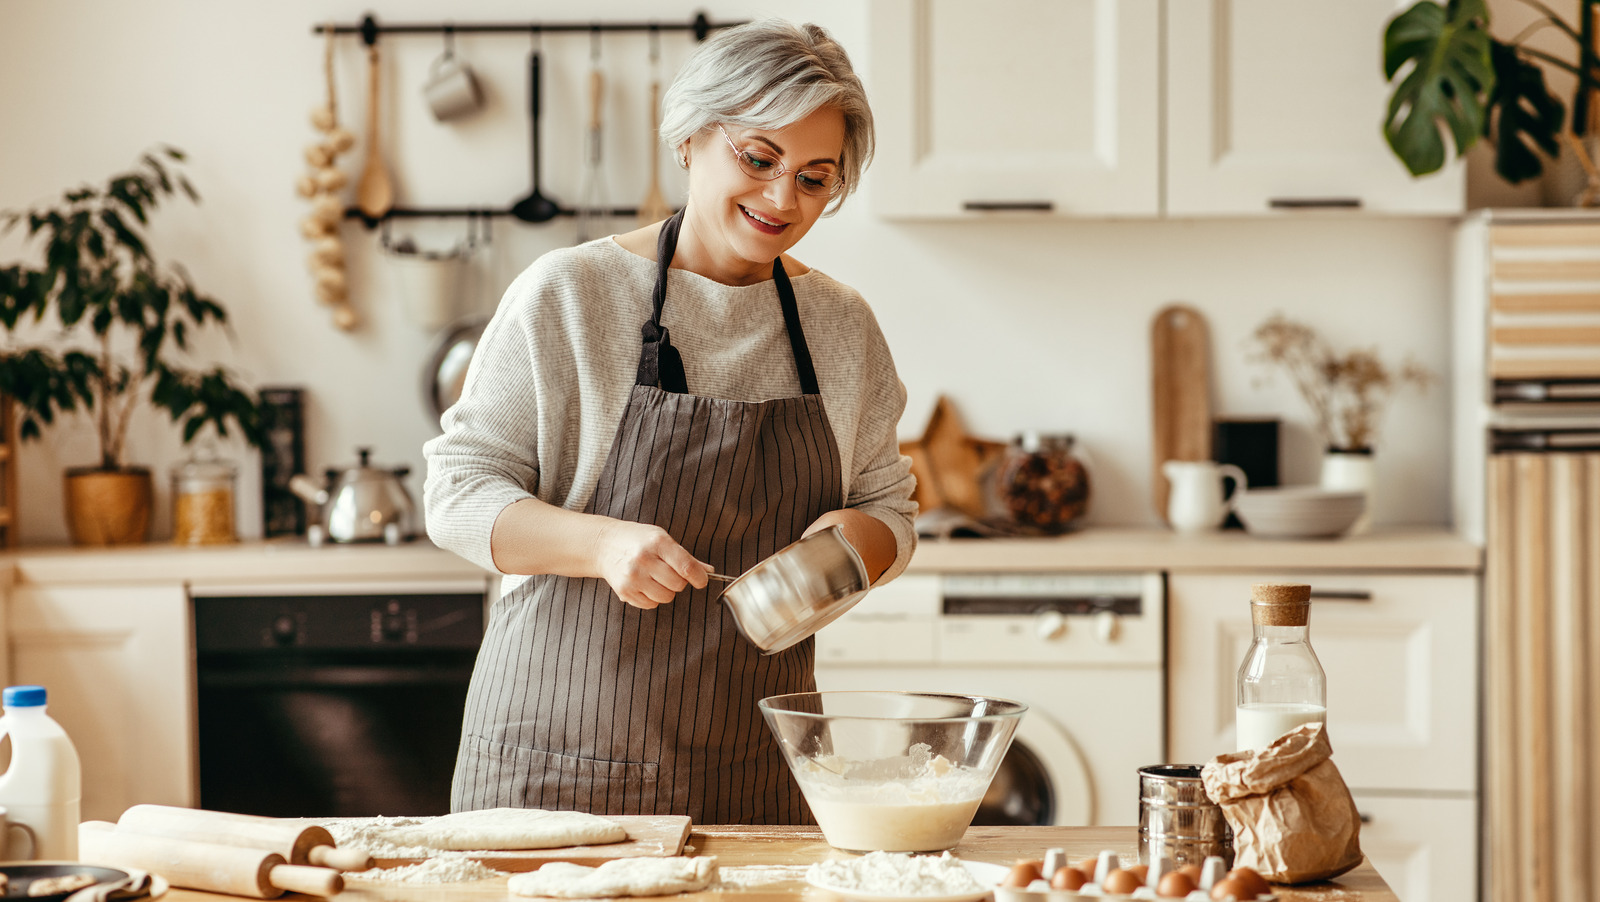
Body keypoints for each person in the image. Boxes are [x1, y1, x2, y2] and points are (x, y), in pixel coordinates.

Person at [423, 18, 916, 825]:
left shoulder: (841, 325)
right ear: (690, 137)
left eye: (815, 177)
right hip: (555, 768)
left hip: (755, 769)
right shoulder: (571, 295)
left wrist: (847, 550)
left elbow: (890, 508)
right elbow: (456, 493)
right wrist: (604, 543)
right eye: (758, 159)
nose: (782, 199)